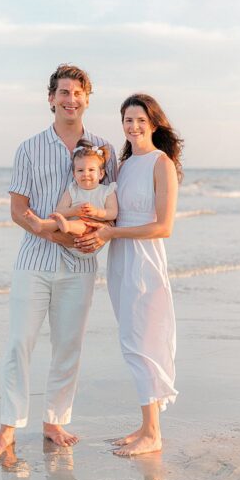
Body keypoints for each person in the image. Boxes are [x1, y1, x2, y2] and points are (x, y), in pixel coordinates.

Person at [0, 64, 116, 456]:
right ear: (51, 98)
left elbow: (113, 209)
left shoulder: (105, 149)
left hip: (81, 265)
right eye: (63, 92)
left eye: (77, 93)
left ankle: (55, 421)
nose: (70, 99)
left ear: (88, 98)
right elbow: (18, 210)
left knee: (68, 345)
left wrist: (99, 241)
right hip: (33, 262)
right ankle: (8, 427)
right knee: (18, 344)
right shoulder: (28, 148)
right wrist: (54, 234)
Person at [78, 93, 183, 456]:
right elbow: (114, 213)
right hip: (120, 258)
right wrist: (89, 226)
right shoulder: (122, 165)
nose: (134, 126)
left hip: (145, 259)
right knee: (131, 340)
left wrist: (112, 233)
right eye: (128, 120)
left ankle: (153, 434)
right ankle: (145, 425)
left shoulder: (161, 163)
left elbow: (163, 226)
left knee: (144, 341)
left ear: (154, 123)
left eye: (140, 120)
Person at [23, 140, 118, 258]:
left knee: (83, 223)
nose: (85, 174)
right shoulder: (72, 190)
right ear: (74, 174)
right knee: (57, 220)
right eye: (80, 170)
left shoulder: (107, 191)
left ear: (101, 173)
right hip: (69, 239)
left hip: (91, 239)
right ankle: (41, 225)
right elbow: (60, 210)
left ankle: (67, 226)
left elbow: (113, 213)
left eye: (91, 170)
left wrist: (97, 212)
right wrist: (75, 211)